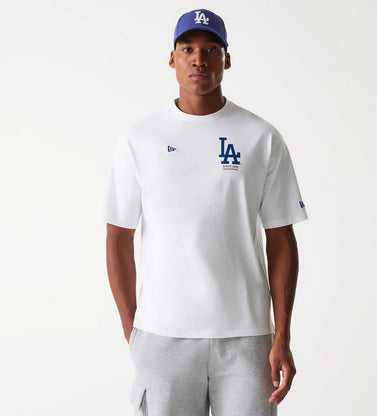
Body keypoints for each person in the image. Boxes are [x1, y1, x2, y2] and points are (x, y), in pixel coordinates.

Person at [97, 8, 308, 416]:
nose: (199, 59)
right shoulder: (141, 138)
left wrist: (282, 335)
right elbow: (118, 236)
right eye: (188, 48)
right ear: (172, 58)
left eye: (212, 49)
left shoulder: (261, 137)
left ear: (226, 59)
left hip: (247, 338)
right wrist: (134, 331)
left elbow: (281, 239)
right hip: (162, 337)